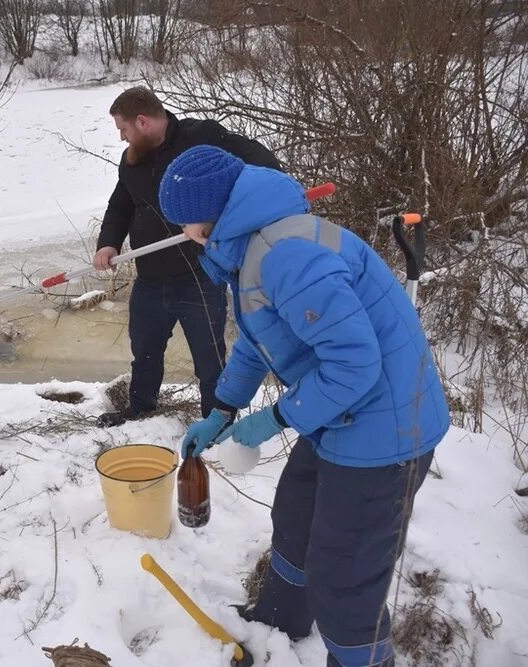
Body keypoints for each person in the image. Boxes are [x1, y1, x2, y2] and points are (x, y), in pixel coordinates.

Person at [158, 145, 450, 666]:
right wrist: (223, 409)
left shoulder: (286, 256)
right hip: (341, 415)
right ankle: (282, 619)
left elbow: (355, 365)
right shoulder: (254, 248)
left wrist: (276, 418)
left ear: (209, 218)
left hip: (386, 433)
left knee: (345, 578)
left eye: (186, 224)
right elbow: (258, 337)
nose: (184, 234)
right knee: (295, 514)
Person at [95, 87, 281, 427]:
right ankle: (141, 411)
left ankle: (218, 421)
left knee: (210, 361)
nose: (122, 137)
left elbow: (260, 163)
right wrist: (108, 243)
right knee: (145, 354)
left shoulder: (201, 139)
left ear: (142, 120)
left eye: (123, 129)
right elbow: (120, 205)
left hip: (198, 275)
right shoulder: (133, 158)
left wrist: (238, 213)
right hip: (150, 278)